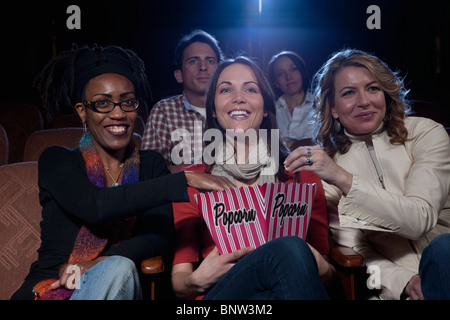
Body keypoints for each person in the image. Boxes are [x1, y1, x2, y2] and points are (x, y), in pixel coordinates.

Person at [11, 44, 233, 300]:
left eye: (127, 102)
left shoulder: (150, 164)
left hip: (120, 285)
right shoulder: (57, 159)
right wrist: (184, 179)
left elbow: (158, 236)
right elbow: (95, 206)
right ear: (83, 111)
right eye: (103, 103)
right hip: (50, 285)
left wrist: (97, 263)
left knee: (119, 267)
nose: (118, 114)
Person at [284, 48, 450, 300]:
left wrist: (344, 179)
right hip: (397, 292)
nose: (364, 101)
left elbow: (420, 219)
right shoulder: (328, 170)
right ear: (333, 108)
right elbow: (357, 251)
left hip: (445, 262)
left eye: (372, 88)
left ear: (385, 93)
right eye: (349, 93)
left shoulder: (427, 133)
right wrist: (403, 281)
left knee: (442, 248)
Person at [171, 56, 335, 300]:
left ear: (266, 106)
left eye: (250, 89)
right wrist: (196, 279)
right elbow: (179, 282)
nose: (239, 97)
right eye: (226, 89)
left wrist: (311, 259)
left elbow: (329, 274)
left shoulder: (303, 176)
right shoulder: (194, 181)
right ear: (213, 109)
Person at [141, 30, 223, 170]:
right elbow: (150, 172)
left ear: (222, 71)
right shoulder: (164, 111)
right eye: (193, 61)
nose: (203, 67)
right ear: (179, 75)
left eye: (210, 61)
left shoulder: (235, 107)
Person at [267, 51, 314, 149]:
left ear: (302, 73)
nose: (289, 77)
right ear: (276, 82)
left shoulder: (320, 106)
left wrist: (286, 144)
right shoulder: (269, 111)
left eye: (293, 69)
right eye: (280, 74)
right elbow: (267, 144)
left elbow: (324, 143)